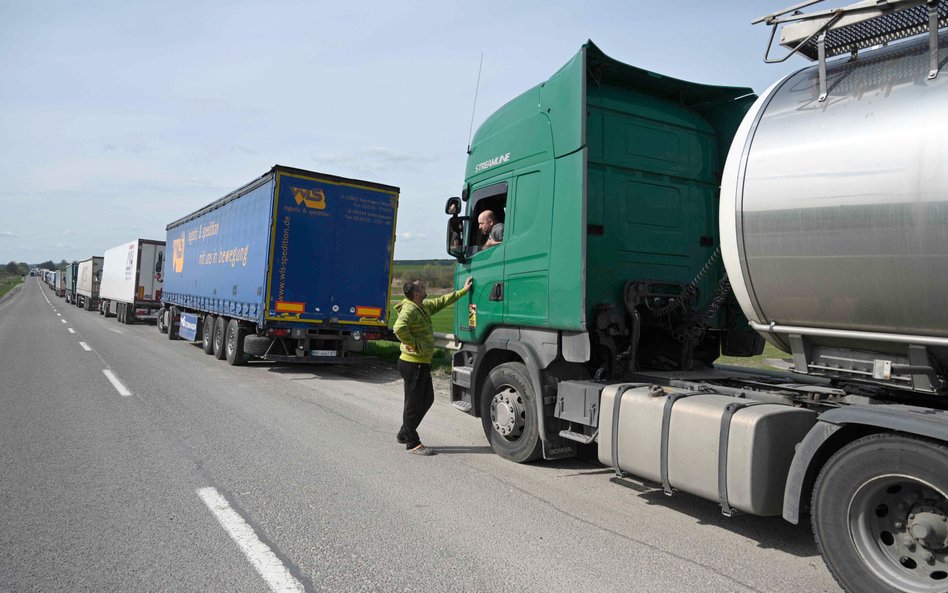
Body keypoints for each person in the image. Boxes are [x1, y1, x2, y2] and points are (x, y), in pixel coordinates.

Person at [393, 276, 473, 455]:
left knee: (427, 400)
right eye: (421, 286)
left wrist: (463, 291)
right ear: (416, 293)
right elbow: (398, 328)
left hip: (420, 363)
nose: (424, 286)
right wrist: (413, 344)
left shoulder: (422, 307)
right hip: (413, 364)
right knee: (413, 404)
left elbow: (442, 301)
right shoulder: (410, 310)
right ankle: (412, 443)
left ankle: (404, 433)